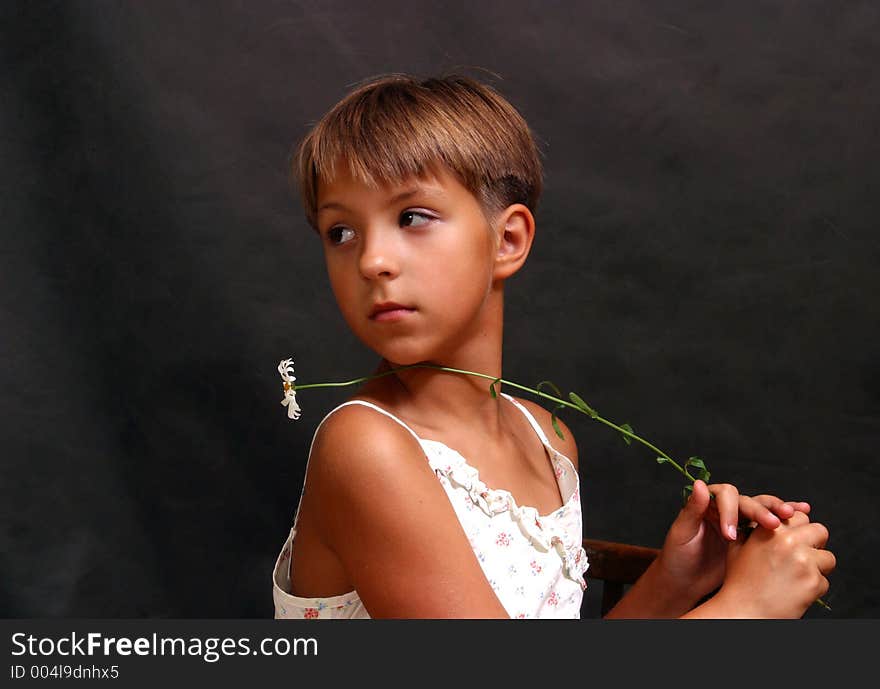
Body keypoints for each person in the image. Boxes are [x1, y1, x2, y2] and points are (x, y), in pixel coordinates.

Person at [271, 73, 835, 619]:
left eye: (412, 217)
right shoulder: (367, 450)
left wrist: (674, 583)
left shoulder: (548, 439)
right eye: (341, 232)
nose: (372, 261)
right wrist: (744, 610)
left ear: (508, 240)